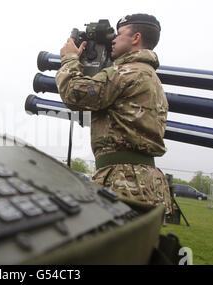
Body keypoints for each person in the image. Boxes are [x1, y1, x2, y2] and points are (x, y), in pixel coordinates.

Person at [55, 13, 172, 214]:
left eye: (119, 34)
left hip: (123, 181)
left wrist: (69, 59)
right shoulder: (148, 75)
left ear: (135, 38)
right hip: (141, 182)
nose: (114, 40)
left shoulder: (126, 73)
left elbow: (75, 94)